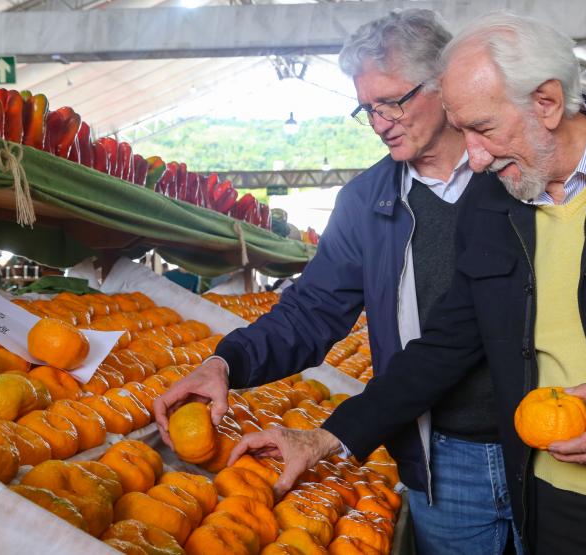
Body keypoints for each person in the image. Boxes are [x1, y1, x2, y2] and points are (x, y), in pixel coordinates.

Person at [229, 13, 586, 555]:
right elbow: (447, 345)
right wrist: (324, 438)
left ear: (548, 102)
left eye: (481, 129)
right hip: (559, 507)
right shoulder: (493, 201)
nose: (473, 160)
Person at [154, 9, 519, 553]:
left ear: (445, 84)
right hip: (442, 455)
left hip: (545, 437)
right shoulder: (367, 203)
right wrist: (226, 362)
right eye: (367, 108)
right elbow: (312, 310)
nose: (379, 122)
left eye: (392, 101)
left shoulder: (515, 174)